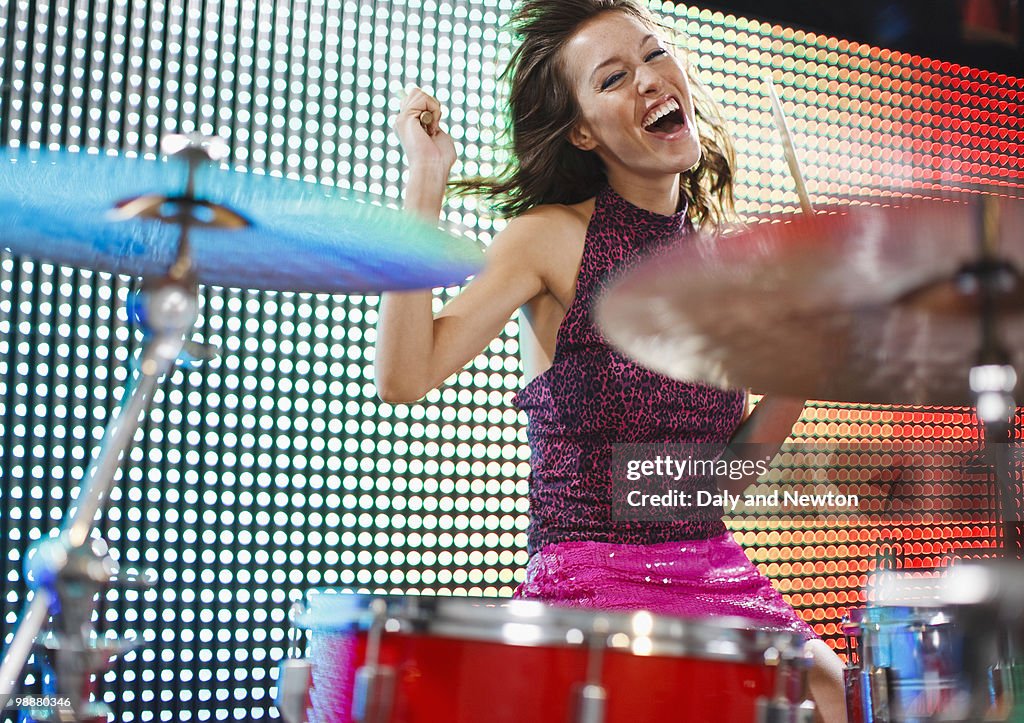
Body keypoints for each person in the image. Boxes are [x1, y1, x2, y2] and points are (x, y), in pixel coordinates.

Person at [375, 0, 846, 718]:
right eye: (614, 77)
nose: (650, 80)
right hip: (590, 576)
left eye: (656, 55)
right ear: (583, 132)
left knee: (823, 680)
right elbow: (404, 376)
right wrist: (425, 185)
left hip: (714, 567)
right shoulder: (549, 239)